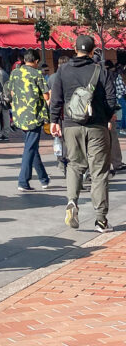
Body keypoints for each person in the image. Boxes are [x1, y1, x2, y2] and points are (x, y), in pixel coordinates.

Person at [50, 34, 117, 233]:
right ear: (92, 50)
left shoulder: (62, 71)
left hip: (71, 125)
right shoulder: (100, 70)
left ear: (74, 48)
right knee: (99, 172)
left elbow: (56, 99)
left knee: (74, 165)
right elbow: (111, 98)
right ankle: (101, 220)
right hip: (96, 126)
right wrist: (106, 117)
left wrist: (54, 120)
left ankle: (72, 201)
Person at [6, 49, 50, 193]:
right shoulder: (37, 74)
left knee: (32, 146)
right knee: (30, 148)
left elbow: (11, 92)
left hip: (19, 115)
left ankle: (44, 178)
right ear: (36, 61)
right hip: (34, 116)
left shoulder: (15, 73)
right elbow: (46, 95)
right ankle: (23, 181)